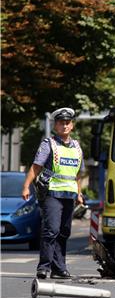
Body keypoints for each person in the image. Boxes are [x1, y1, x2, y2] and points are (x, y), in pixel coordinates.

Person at [22, 108, 84, 279]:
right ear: (56, 125)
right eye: (61, 123)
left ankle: (59, 268)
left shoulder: (77, 147)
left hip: (69, 194)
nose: (64, 126)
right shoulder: (49, 144)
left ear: (72, 125)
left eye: (67, 123)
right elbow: (36, 167)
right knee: (51, 230)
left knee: (64, 232)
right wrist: (26, 186)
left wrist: (79, 193)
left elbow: (78, 173)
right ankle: (44, 267)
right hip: (52, 193)